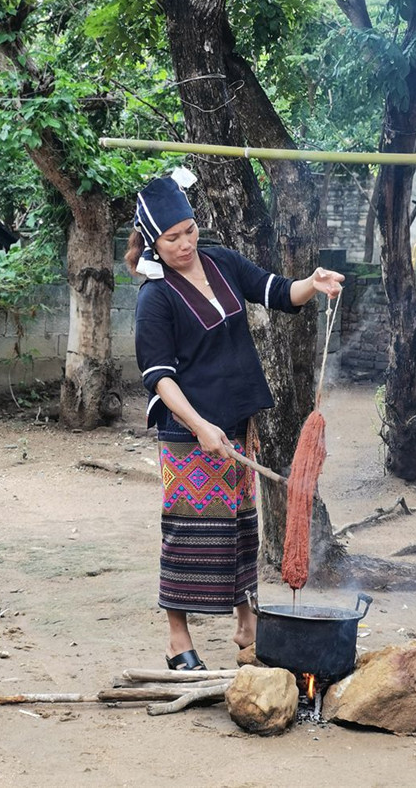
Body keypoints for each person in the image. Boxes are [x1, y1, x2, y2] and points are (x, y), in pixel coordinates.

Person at [126, 168, 344, 671]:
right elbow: (159, 377)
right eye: (172, 238)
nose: (185, 243)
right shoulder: (154, 297)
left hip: (238, 425)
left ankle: (246, 626)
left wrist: (311, 284)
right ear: (154, 242)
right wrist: (199, 426)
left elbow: (275, 291)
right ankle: (177, 640)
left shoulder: (220, 261)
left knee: (241, 528)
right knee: (189, 535)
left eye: (189, 230)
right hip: (189, 434)